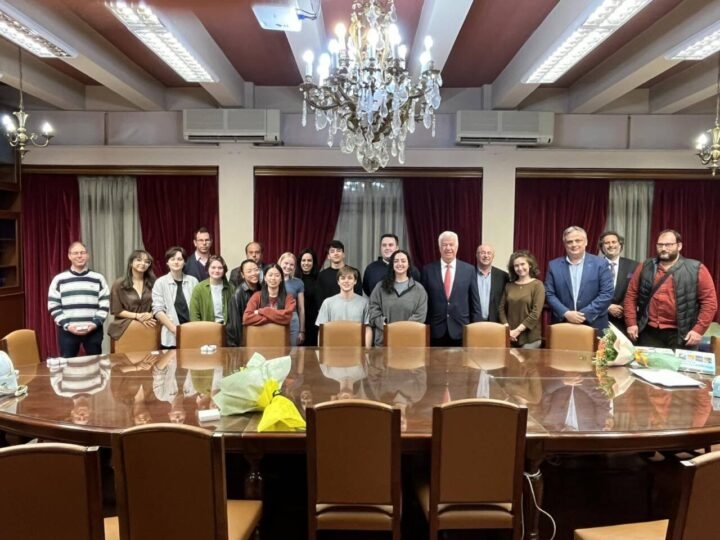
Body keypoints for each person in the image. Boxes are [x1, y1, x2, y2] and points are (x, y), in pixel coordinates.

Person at [624, 229, 717, 349]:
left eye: (668, 245)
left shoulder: (696, 268)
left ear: (679, 246)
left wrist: (699, 330)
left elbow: (709, 302)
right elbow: (631, 295)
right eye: (660, 245)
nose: (663, 248)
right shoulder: (645, 266)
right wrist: (631, 323)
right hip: (649, 332)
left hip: (683, 335)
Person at [545, 226, 614, 331]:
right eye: (569, 242)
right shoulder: (554, 266)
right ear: (565, 244)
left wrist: (584, 314)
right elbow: (549, 294)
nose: (574, 244)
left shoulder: (601, 263)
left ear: (586, 242)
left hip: (595, 323)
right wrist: (566, 313)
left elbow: (607, 293)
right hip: (563, 324)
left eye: (578, 240)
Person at [48, 241, 110, 357]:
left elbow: (105, 304)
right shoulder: (59, 279)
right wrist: (67, 325)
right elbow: (53, 305)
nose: (79, 256)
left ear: (87, 255)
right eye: (75, 253)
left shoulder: (98, 278)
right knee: (67, 364)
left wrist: (95, 324)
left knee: (95, 363)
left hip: (93, 331)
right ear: (69, 256)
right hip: (68, 331)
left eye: (82, 252)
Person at [421, 231, 481, 346]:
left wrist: (476, 329)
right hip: (435, 332)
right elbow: (424, 303)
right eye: (444, 245)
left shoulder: (469, 270)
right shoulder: (427, 270)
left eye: (451, 244)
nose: (448, 248)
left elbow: (475, 303)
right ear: (439, 247)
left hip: (461, 331)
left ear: (457, 247)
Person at [368, 250, 428, 346]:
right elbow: (373, 309)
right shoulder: (380, 287)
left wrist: (401, 330)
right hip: (384, 341)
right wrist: (384, 324)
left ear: (408, 264)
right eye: (396, 261)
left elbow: (420, 315)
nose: (400, 264)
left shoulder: (419, 289)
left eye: (403, 261)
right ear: (392, 265)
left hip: (410, 342)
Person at [152, 247, 199, 348]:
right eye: (172, 259)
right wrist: (175, 330)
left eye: (179, 259)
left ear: (184, 262)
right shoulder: (160, 282)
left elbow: (198, 307)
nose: (176, 262)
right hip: (170, 333)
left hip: (192, 332)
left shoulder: (193, 281)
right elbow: (158, 310)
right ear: (167, 262)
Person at [499, 250, 545, 348]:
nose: (520, 268)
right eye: (516, 265)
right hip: (509, 336)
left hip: (530, 338)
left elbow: (535, 313)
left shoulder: (538, 285)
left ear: (530, 265)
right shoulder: (509, 286)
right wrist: (508, 330)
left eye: (522, 264)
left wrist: (517, 331)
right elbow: (501, 309)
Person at [316, 265, 372, 345]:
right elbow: (322, 330)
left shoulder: (365, 303)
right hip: (333, 348)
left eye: (350, 278)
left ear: (355, 281)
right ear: (338, 282)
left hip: (357, 349)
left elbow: (367, 328)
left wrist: (366, 351)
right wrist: (321, 351)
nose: (346, 281)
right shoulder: (327, 303)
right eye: (343, 278)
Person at [108, 249, 157, 342]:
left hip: (149, 326)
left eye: (147, 262)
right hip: (125, 328)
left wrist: (151, 314)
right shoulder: (119, 284)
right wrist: (137, 316)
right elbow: (116, 310)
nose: (143, 263)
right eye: (139, 260)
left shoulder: (154, 283)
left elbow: (160, 305)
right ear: (131, 262)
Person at [598, 230, 639, 335]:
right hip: (600, 319)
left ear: (620, 245)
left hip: (624, 321)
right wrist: (607, 307)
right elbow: (589, 292)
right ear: (602, 247)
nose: (611, 245)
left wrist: (621, 309)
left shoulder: (634, 266)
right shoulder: (594, 265)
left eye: (614, 242)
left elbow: (637, 292)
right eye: (607, 243)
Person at [243, 263, 296, 329]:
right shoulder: (257, 296)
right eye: (270, 275)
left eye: (277, 275)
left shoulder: (288, 297)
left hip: (281, 334)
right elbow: (246, 318)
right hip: (262, 334)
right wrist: (277, 318)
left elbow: (287, 318)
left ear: (281, 279)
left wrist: (263, 311)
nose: (273, 278)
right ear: (265, 278)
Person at [316, 240, 363, 308]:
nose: (336, 253)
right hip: (330, 312)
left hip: (351, 310)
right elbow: (320, 300)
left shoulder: (353, 272)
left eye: (338, 250)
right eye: (332, 251)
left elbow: (358, 295)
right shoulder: (322, 275)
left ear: (343, 254)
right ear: (328, 256)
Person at [226, 259, 261, 347]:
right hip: (244, 340)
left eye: (256, 270)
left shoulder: (262, 288)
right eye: (249, 271)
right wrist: (239, 347)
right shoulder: (237, 294)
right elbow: (235, 325)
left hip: (259, 336)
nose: (254, 273)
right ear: (242, 275)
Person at [189, 255, 234, 323]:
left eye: (220, 268)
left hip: (227, 328)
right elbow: (194, 315)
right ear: (207, 269)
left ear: (224, 270)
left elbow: (236, 313)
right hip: (207, 328)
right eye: (213, 267)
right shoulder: (198, 289)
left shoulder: (231, 288)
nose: (217, 270)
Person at [475, 244, 509, 322]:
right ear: (477, 255)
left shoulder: (503, 276)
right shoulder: (469, 273)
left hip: (496, 322)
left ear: (493, 256)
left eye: (489, 253)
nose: (486, 256)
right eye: (483, 253)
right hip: (473, 322)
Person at [278, 252, 306, 346]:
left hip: (293, 319)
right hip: (276, 316)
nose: (288, 267)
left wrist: (302, 331)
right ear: (280, 263)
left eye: (291, 264)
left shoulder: (298, 282)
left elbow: (301, 308)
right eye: (286, 263)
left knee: (293, 351)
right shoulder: (271, 279)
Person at [296, 248, 320, 346]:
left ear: (313, 263)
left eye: (309, 260)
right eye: (303, 260)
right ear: (299, 262)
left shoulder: (319, 279)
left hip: (313, 321)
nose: (306, 263)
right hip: (297, 320)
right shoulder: (294, 279)